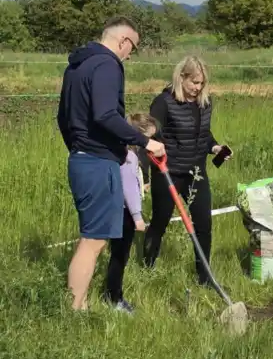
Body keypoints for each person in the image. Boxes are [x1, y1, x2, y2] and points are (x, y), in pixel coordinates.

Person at [57, 17, 165, 312]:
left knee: (93, 238)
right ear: (123, 42)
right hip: (97, 163)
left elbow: (62, 118)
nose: (131, 55)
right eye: (133, 48)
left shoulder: (77, 66)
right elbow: (106, 115)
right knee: (93, 241)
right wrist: (146, 142)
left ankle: (79, 303)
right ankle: (75, 309)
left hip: (81, 159)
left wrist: (79, 148)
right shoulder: (107, 65)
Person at [143, 55, 230, 283]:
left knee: (204, 224)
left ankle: (205, 277)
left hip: (196, 172)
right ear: (182, 78)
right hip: (168, 172)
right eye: (194, 82)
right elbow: (149, 137)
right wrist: (146, 172)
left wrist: (215, 147)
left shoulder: (205, 102)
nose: (197, 88)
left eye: (201, 83)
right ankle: (146, 268)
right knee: (160, 221)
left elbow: (203, 135)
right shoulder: (163, 102)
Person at [104, 112, 156, 314]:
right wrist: (137, 217)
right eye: (149, 137)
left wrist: (141, 186)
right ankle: (114, 298)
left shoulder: (121, 152)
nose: (149, 142)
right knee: (119, 256)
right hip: (125, 213)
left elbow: (128, 184)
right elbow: (128, 189)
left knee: (116, 254)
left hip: (119, 209)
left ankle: (112, 294)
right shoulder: (130, 156)